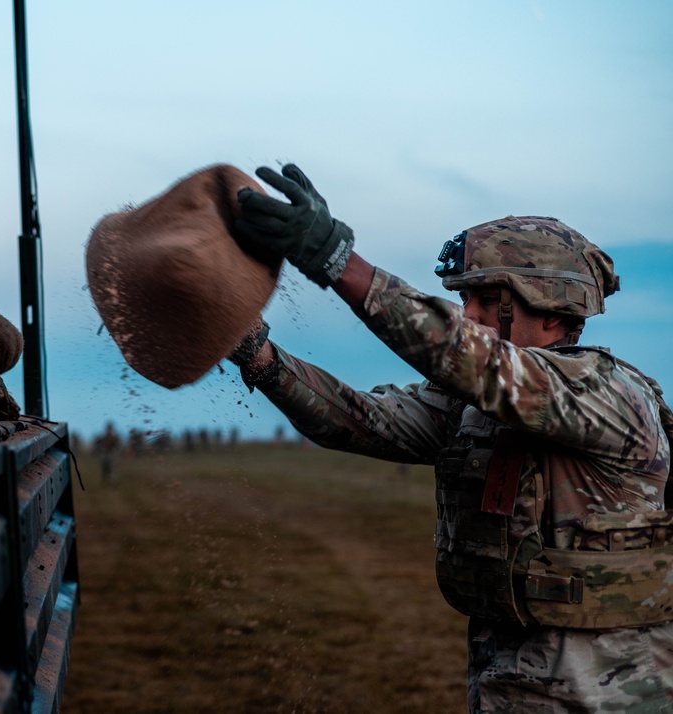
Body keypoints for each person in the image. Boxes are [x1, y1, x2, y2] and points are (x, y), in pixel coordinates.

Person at [228, 164, 673, 713]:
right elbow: (361, 419)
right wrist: (258, 356)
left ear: (554, 315)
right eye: (465, 300)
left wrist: (338, 263)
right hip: (502, 688)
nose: (470, 314)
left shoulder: (606, 394)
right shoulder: (476, 406)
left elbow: (461, 355)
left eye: (488, 299)